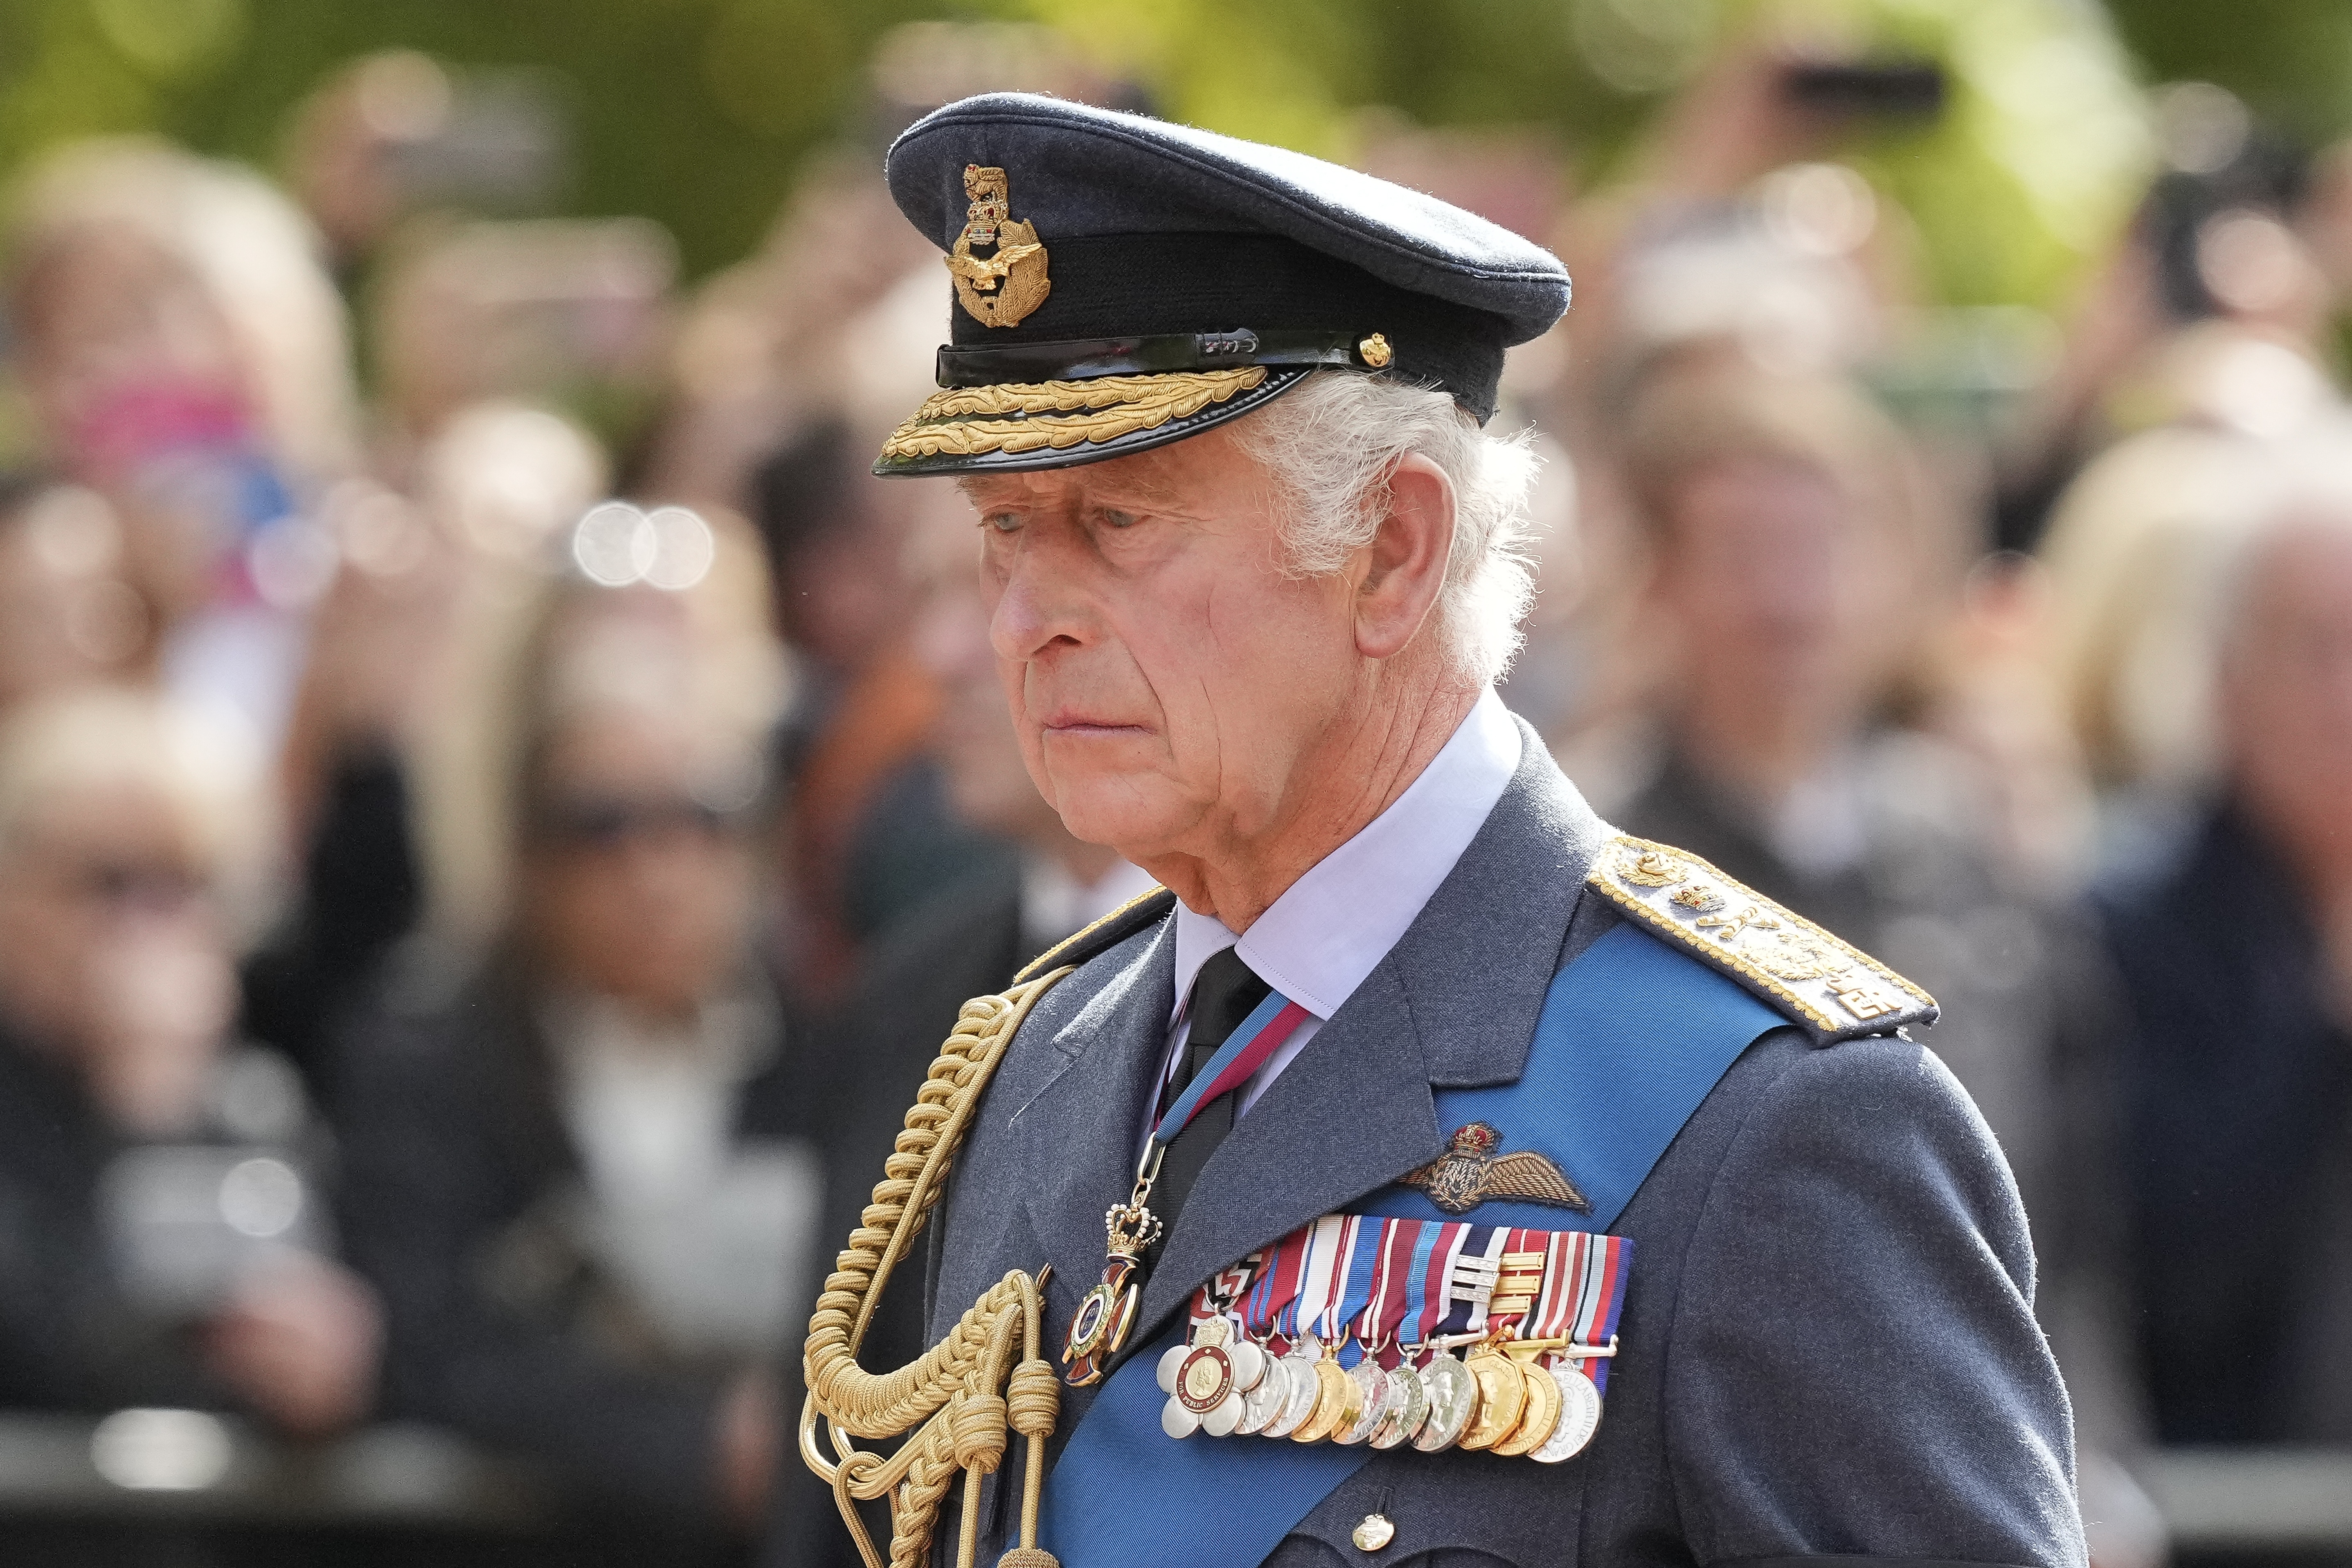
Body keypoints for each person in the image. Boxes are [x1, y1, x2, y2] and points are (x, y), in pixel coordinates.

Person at [795, 93, 2083, 1568]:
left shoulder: (1767, 1114)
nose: (1029, 620)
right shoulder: (1043, 1049)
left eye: (1122, 523)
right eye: (1005, 530)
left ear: (1393, 551)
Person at [333, 517, 823, 1554]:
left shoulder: (832, 1042)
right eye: (601, 824)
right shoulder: (429, 1054)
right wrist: (694, 1442)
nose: (657, 870)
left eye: (701, 816)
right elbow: (427, 1344)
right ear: (525, 850)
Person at [0, 687, 378, 1438]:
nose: (154, 925)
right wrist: (134, 1110)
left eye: (190, 886)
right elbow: (43, 1354)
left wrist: (329, 1363)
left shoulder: (256, 1104)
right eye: (115, 882)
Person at [2098, 438, 2352, 1469]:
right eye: (2317, 648)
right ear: (2225, 675)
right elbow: (2164, 1270)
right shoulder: (2123, 924)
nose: (2348, 698)